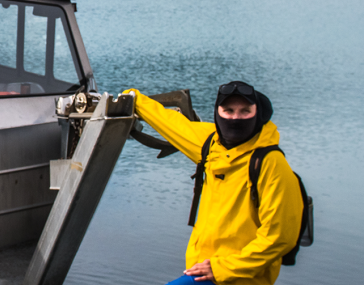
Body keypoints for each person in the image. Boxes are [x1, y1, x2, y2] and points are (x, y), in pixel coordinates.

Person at [126, 81, 304, 284]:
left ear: (259, 114)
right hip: (201, 271)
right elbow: (172, 123)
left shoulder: (271, 163)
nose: (235, 118)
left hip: (241, 277)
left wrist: (223, 269)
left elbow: (280, 237)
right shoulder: (211, 145)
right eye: (228, 110)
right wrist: (133, 98)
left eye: (245, 111)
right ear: (217, 113)